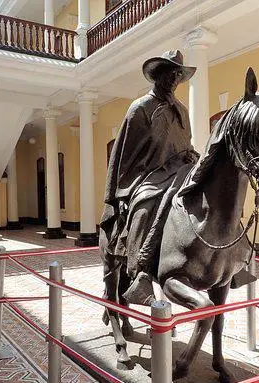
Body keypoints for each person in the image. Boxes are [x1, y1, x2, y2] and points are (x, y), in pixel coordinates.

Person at [99, 50, 199, 305]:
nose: (174, 79)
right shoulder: (140, 108)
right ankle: (139, 269)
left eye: (178, 74)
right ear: (158, 75)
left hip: (180, 171)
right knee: (145, 207)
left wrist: (189, 155)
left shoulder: (182, 111)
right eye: (170, 73)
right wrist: (122, 192)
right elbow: (125, 155)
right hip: (147, 176)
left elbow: (183, 142)